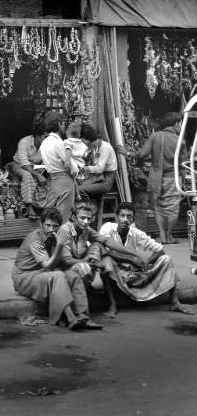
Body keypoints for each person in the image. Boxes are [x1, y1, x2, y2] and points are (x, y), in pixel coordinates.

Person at [99, 201, 194, 318]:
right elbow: (104, 251)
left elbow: (160, 250)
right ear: (116, 218)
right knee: (106, 261)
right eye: (122, 216)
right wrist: (131, 260)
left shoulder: (137, 233)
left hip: (132, 274)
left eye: (129, 217)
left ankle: (174, 302)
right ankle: (112, 304)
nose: (125, 220)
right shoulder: (107, 228)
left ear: (133, 220)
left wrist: (146, 262)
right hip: (115, 275)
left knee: (166, 259)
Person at [55, 199, 140, 328]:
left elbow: (107, 242)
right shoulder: (64, 230)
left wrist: (133, 253)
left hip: (79, 266)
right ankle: (80, 315)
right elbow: (67, 260)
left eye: (88, 219)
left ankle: (81, 312)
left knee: (97, 245)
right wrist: (96, 265)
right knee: (84, 268)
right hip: (65, 269)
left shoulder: (86, 229)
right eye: (82, 218)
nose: (86, 222)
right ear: (73, 217)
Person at [12, 207, 92, 330]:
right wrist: (60, 245)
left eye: (55, 226)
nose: (51, 229)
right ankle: (70, 318)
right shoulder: (34, 238)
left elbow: (60, 262)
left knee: (72, 276)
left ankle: (84, 316)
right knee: (58, 275)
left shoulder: (57, 236)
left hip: (43, 273)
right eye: (48, 225)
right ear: (41, 224)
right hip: (24, 277)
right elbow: (48, 265)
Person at [129, 112, 185, 244]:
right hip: (173, 178)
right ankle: (169, 235)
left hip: (156, 178)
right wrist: (183, 181)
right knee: (173, 209)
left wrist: (127, 152)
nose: (181, 126)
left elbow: (141, 154)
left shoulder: (155, 136)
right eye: (180, 123)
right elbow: (182, 164)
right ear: (176, 123)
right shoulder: (179, 140)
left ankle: (161, 235)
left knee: (158, 207)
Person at [39, 111, 78, 219]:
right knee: (64, 215)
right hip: (65, 181)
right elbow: (72, 167)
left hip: (54, 181)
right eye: (63, 123)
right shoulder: (58, 142)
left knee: (58, 215)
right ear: (59, 124)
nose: (64, 126)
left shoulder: (44, 143)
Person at [6, 129, 47, 210]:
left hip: (35, 167)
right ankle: (30, 205)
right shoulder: (24, 141)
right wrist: (38, 175)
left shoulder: (47, 144)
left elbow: (47, 161)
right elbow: (24, 163)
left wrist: (41, 170)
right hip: (19, 165)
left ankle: (42, 205)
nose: (47, 139)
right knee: (27, 175)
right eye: (45, 137)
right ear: (38, 136)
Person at [77, 123, 117, 198]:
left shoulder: (105, 147)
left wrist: (85, 168)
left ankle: (87, 207)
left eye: (82, 140)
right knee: (73, 184)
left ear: (88, 139)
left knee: (78, 189)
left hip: (106, 181)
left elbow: (99, 169)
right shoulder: (93, 147)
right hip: (97, 178)